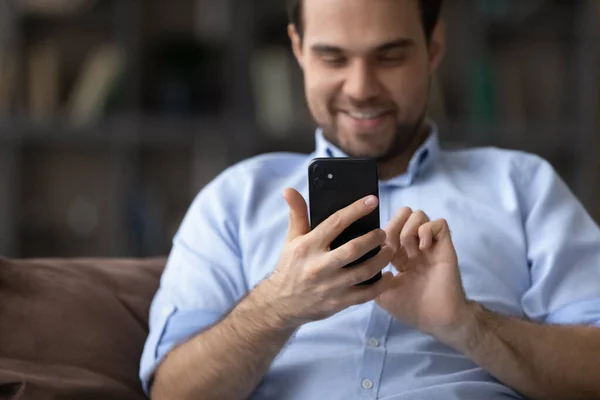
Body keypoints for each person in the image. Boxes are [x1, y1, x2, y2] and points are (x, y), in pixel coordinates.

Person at [140, 0, 600, 398]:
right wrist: (278, 308)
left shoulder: (524, 186)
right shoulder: (233, 198)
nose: (361, 88)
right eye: (333, 58)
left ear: (433, 47)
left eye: (390, 56)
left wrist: (467, 325)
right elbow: (173, 391)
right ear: (299, 49)